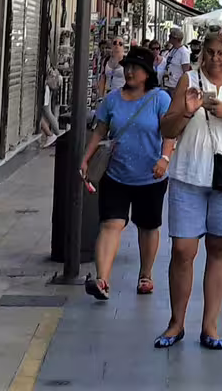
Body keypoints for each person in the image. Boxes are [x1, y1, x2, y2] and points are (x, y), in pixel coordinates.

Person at [156, 28, 222, 349]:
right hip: (189, 175)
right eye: (211, 52)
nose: (216, 58)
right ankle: (176, 323)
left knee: (220, 251)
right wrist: (186, 111)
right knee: (183, 250)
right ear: (204, 53)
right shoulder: (189, 80)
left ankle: (210, 324)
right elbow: (167, 128)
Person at [80, 46, 174, 300]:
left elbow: (169, 132)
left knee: (148, 226)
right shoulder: (112, 99)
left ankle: (146, 274)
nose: (130, 71)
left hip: (151, 176)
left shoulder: (159, 99)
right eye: (128, 66)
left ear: (147, 72)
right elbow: (100, 131)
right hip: (116, 174)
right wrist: (86, 159)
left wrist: (165, 159)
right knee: (111, 224)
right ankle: (103, 280)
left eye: (137, 68)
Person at [37, 68, 64, 149]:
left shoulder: (49, 64)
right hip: (46, 89)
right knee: (46, 113)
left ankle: (55, 134)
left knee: (46, 112)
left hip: (46, 89)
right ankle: (54, 135)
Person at [160, 26, 191, 91]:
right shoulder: (173, 49)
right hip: (167, 84)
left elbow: (186, 71)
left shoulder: (184, 52)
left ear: (176, 39)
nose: (169, 38)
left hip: (176, 86)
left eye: (170, 36)